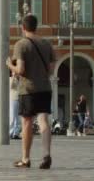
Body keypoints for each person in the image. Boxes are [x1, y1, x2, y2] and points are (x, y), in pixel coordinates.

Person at [6, 14, 56, 170]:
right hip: (45, 88)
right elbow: (51, 70)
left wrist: (9, 65)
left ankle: (26, 159)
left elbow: (20, 69)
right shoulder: (46, 44)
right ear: (36, 26)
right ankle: (46, 154)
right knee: (43, 121)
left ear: (23, 27)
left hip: (27, 89)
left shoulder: (21, 44)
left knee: (27, 122)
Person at [9, 74, 21, 140]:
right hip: (13, 99)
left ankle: (16, 133)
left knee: (18, 118)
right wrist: (13, 78)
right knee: (12, 117)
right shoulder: (10, 79)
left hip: (19, 99)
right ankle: (10, 133)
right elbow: (10, 86)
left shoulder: (20, 80)